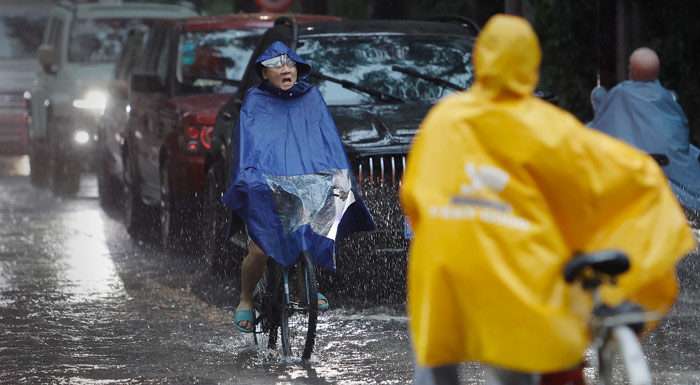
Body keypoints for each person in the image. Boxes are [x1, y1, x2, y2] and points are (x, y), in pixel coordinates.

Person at [400, 14, 695, 385]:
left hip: (442, 268)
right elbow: (614, 178)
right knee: (522, 359)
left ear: (479, 58)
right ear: (533, 65)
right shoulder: (547, 126)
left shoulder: (443, 119)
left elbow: (413, 197)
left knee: (436, 356)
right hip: (517, 269)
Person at [221, 41, 374, 333]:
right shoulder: (254, 102)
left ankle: (306, 286)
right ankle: (245, 299)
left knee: (314, 224)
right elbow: (249, 147)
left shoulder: (311, 98)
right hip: (266, 182)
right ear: (264, 73)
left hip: (305, 179)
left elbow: (327, 141)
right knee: (260, 251)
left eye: (290, 64)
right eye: (277, 65)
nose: (285, 69)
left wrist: (338, 172)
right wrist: (250, 176)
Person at [589, 47, 700, 213]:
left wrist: (597, 97)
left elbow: (602, 120)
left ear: (631, 70)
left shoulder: (620, 94)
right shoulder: (668, 98)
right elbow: (680, 132)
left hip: (630, 176)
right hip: (673, 176)